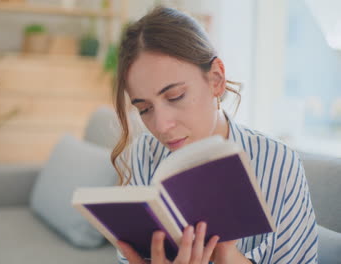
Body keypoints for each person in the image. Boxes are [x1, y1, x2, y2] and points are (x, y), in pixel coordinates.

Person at [110, 6, 319, 264]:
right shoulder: (144, 153)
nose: (161, 125)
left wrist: (228, 257)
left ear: (216, 79)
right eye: (145, 109)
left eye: (175, 97)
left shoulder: (279, 164)